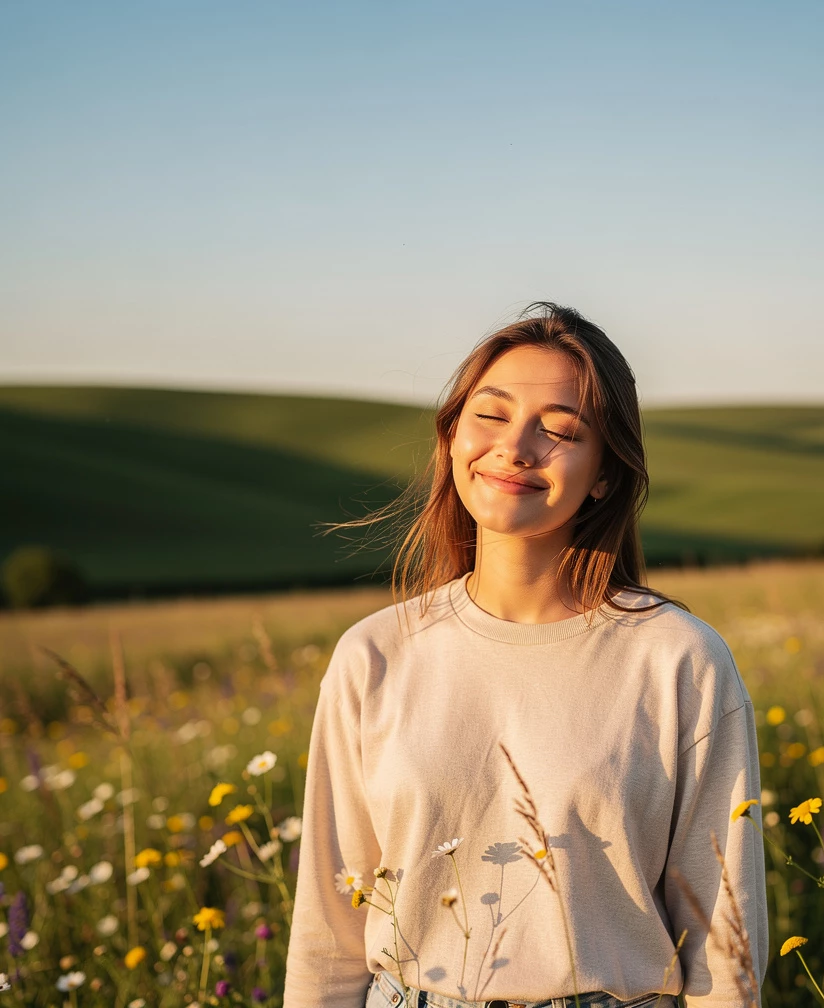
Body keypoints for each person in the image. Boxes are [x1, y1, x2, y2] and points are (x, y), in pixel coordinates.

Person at [283, 303, 768, 1008]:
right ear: (451, 439)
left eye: (561, 430)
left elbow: (726, 945)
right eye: (491, 415)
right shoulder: (374, 656)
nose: (516, 448)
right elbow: (328, 932)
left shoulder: (679, 659)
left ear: (604, 474)